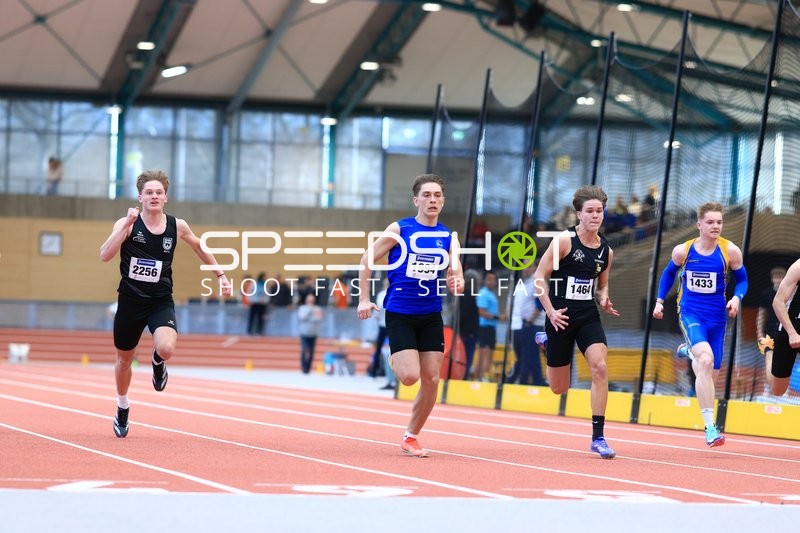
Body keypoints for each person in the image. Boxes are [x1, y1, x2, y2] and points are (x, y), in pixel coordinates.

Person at [99, 169, 232, 438]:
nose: (154, 196)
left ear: (166, 197)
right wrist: (126, 225)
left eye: (159, 192)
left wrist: (220, 275)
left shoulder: (176, 226)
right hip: (130, 301)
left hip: (160, 300)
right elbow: (105, 254)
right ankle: (122, 406)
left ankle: (158, 362)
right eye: (149, 192)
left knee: (167, 347)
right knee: (124, 360)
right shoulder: (127, 223)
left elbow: (199, 247)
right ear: (140, 197)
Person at [357, 174, 464, 458]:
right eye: (427, 195)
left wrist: (457, 281)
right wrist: (364, 298)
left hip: (431, 314)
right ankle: (395, 357)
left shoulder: (448, 237)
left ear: (443, 201)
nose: (432, 200)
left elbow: (457, 273)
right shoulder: (399, 228)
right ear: (416, 200)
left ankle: (411, 436)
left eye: (437, 195)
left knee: (432, 380)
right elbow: (366, 260)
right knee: (408, 377)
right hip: (400, 312)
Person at [533, 185, 620, 459]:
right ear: (579, 214)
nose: (595, 216)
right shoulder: (564, 241)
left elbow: (602, 285)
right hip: (559, 317)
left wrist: (604, 299)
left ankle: (598, 437)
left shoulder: (606, 251)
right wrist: (550, 312)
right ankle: (548, 342)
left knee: (600, 367)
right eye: (590, 211)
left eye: (599, 211)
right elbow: (539, 277)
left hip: (587, 316)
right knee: (559, 388)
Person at [653, 202, 748, 448]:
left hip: (718, 319)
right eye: (710, 222)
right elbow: (668, 274)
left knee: (709, 374)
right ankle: (710, 428)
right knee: (705, 361)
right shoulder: (683, 251)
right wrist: (660, 301)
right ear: (699, 225)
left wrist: (737, 298)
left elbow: (742, 280)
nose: (716, 226)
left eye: (719, 222)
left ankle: (689, 350)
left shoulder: (730, 251)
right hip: (690, 313)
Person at [762, 260, 800, 396]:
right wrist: (792, 333)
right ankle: (769, 352)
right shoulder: (798, 267)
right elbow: (777, 302)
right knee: (778, 390)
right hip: (790, 328)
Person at [510, 264, 546, 386]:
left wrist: (531, 320)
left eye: (528, 266)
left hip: (534, 324)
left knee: (532, 354)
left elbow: (540, 303)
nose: (525, 268)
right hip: (527, 323)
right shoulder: (526, 284)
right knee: (527, 354)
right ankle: (527, 381)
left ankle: (538, 382)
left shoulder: (536, 282)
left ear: (534, 268)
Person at [757, 267, 787, 389]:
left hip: (784, 332)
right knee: (769, 359)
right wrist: (759, 332)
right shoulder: (767, 294)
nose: (777, 280)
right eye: (775, 277)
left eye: (780, 277)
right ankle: (768, 387)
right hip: (769, 332)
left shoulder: (789, 293)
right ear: (772, 279)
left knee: (783, 361)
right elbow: (761, 314)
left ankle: (782, 388)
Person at [475, 271, 504, 382]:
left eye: (494, 279)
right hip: (485, 328)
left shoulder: (491, 294)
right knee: (485, 355)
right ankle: (483, 378)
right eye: (489, 279)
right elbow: (481, 311)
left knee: (486, 355)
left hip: (491, 328)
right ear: (484, 280)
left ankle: (479, 378)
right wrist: (498, 317)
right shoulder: (483, 293)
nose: (492, 282)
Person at [459, 268, 481, 381]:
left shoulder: (461, 295)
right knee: (467, 357)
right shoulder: (470, 296)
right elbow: (465, 315)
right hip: (468, 333)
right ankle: (464, 378)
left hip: (462, 332)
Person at [297, 293, 324, 374]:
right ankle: (303, 367)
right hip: (304, 333)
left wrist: (309, 318)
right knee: (304, 350)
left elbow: (318, 318)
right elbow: (302, 317)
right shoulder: (302, 308)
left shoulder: (318, 309)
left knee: (311, 351)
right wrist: (309, 311)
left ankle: (308, 368)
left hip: (313, 333)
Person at [368, 278, 389, 379]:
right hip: (383, 324)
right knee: (379, 348)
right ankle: (374, 371)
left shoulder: (383, 294)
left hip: (390, 324)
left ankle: (387, 373)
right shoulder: (382, 294)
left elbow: (379, 307)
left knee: (392, 349)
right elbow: (379, 307)